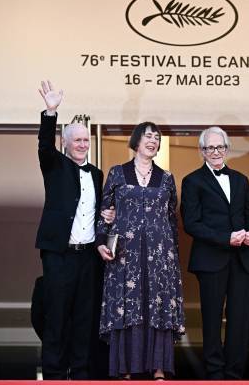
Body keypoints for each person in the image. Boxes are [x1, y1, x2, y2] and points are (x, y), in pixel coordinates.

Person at [35, 80, 113, 379]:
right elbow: (44, 145)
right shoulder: (54, 164)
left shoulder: (96, 174)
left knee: (85, 319)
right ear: (65, 143)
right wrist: (50, 112)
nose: (82, 144)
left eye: (85, 140)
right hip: (59, 255)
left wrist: (107, 215)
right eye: (77, 140)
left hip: (87, 257)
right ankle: (54, 375)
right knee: (57, 317)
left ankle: (81, 374)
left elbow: (93, 212)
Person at [95, 122, 185, 380]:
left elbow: (171, 220)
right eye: (148, 136)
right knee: (129, 305)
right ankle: (125, 368)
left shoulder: (166, 177)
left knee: (156, 306)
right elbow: (104, 214)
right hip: (125, 254)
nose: (153, 141)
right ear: (136, 141)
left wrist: (173, 259)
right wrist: (102, 242)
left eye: (157, 138)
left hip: (160, 255)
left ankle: (158, 369)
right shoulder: (117, 173)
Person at [180, 126, 249, 380]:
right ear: (202, 151)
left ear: (227, 148)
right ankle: (215, 374)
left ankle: (235, 373)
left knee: (239, 320)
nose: (216, 152)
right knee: (212, 321)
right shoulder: (192, 181)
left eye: (220, 147)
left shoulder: (240, 179)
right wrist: (226, 238)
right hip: (211, 260)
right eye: (210, 148)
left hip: (242, 260)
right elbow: (192, 223)